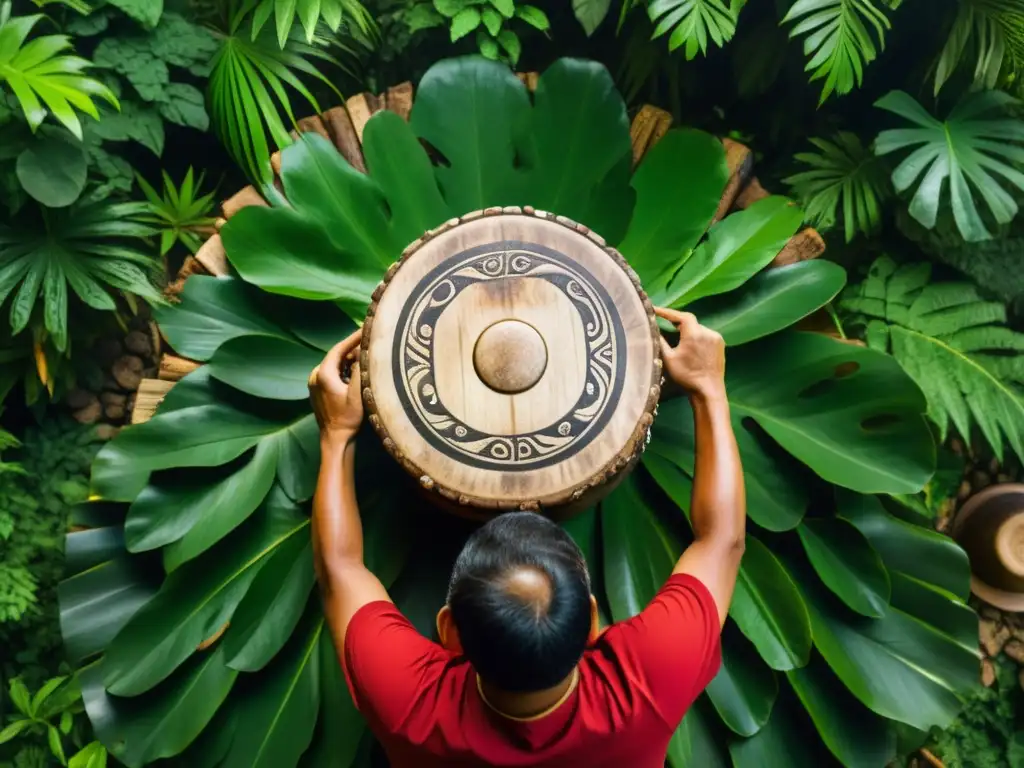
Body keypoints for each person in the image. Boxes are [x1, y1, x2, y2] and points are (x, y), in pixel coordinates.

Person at [308, 307, 745, 768]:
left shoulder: (406, 703)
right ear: (591, 624)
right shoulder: (652, 677)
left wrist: (337, 435)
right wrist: (707, 388)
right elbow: (722, 541)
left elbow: (340, 569)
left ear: (448, 632)